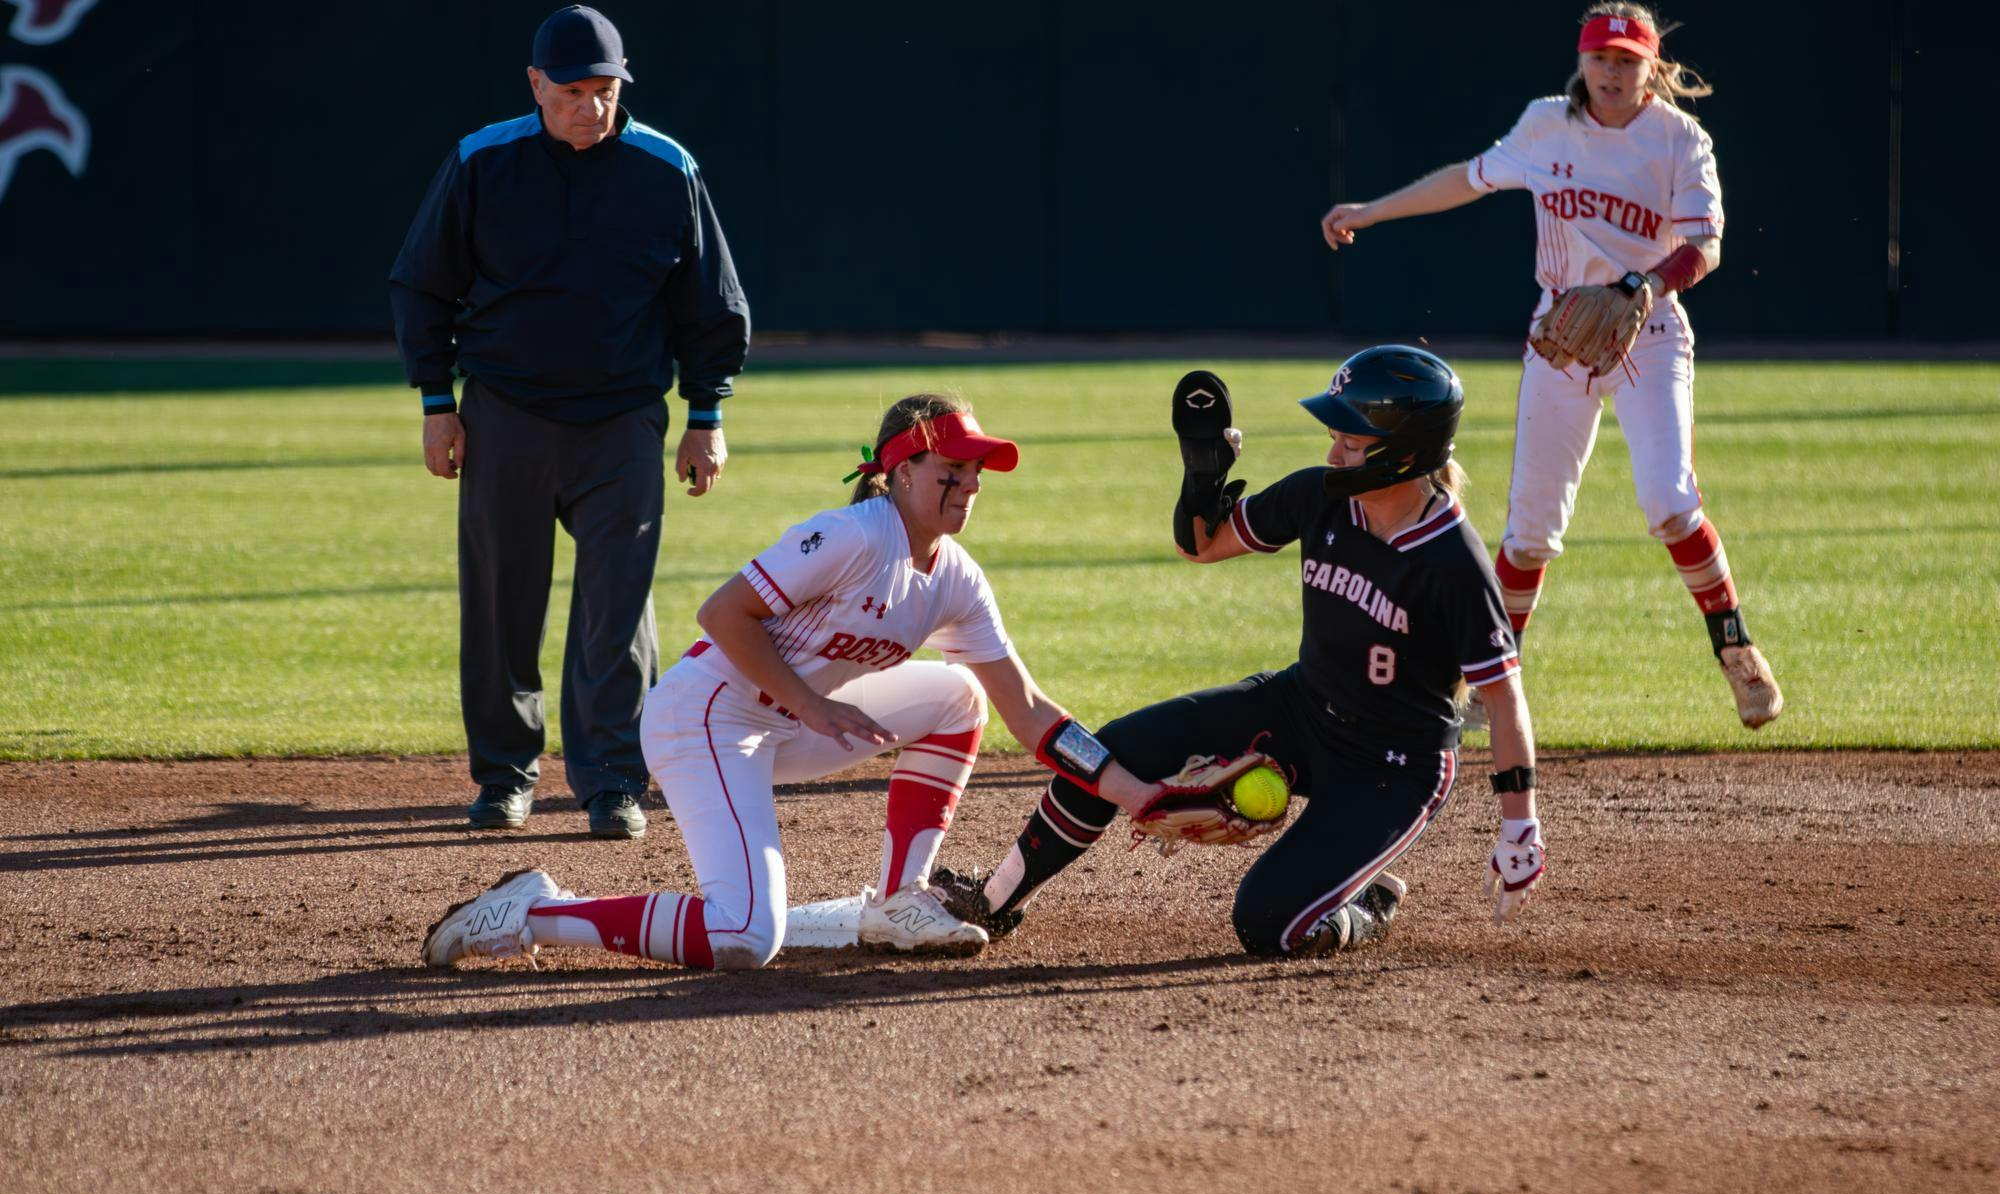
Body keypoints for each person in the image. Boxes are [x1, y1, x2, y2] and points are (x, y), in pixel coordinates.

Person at [423, 394, 1164, 970]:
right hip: (703, 715)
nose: (968, 485)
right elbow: (723, 612)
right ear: (902, 472)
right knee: (745, 936)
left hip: (788, 720)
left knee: (958, 696)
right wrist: (812, 702)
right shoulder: (852, 535)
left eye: (974, 474)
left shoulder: (956, 580)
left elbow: (1030, 712)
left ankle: (898, 903)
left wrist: (1140, 796)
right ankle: (532, 910)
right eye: (952, 470)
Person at [943, 349, 1547, 957]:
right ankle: (992, 903)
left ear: (1407, 452)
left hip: (1394, 767)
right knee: (1105, 756)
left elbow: (1503, 697)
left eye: (1352, 442)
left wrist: (1519, 824)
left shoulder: (1454, 563)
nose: (1335, 454)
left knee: (1269, 924)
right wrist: (1202, 477)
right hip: (1300, 708)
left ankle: (1365, 906)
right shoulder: (1322, 496)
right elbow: (1203, 547)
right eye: (1335, 437)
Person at [1317, 2, 1782, 730]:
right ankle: (1487, 683)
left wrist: (1641, 285)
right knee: (1530, 530)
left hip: (1648, 332)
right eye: (1601, 58)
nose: (1611, 72)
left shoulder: (1679, 139)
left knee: (1669, 501)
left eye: (1628, 60)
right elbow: (1468, 179)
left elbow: (1705, 243)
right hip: (1560, 337)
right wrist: (1371, 210)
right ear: (1582, 60)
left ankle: (1737, 651)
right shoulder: (1544, 125)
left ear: (1651, 67)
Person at [389, 5, 751, 840]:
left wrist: (706, 415)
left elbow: (712, 304)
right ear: (535, 84)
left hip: (621, 420)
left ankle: (614, 781)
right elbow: (422, 283)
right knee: (500, 604)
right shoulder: (484, 160)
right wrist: (436, 405)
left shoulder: (666, 167)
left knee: (617, 611)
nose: (590, 107)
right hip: (505, 415)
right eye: (572, 92)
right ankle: (504, 776)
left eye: (605, 90)